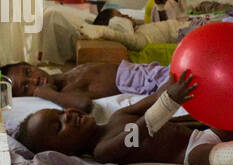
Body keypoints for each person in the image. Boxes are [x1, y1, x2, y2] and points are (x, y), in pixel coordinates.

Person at [17, 72, 233, 165]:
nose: (68, 116)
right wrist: (169, 100)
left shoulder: (116, 115)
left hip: (203, 133)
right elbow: (143, 130)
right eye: (58, 127)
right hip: (192, 157)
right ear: (60, 151)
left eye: (59, 114)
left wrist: (184, 76)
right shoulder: (103, 151)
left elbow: (153, 98)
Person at [4, 59, 172, 108]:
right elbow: (84, 105)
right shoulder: (67, 91)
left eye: (28, 72)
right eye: (26, 87)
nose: (34, 80)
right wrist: (47, 94)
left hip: (154, 71)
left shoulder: (66, 73)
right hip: (155, 83)